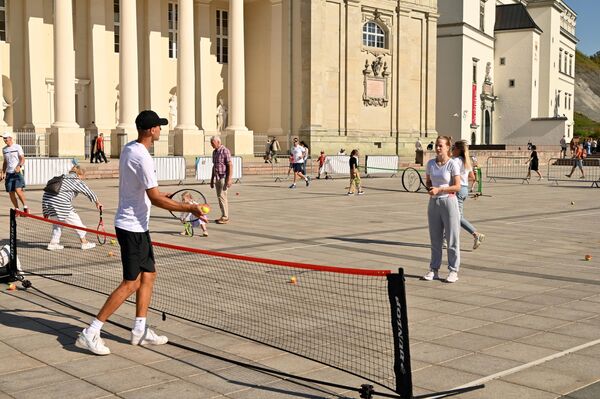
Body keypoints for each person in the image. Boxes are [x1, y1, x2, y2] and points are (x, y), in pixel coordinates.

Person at [75, 110, 204, 356]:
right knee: (131, 283)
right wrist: (190, 208)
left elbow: (146, 190)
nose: (161, 130)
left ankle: (140, 331)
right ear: (151, 130)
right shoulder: (142, 156)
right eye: (158, 126)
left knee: (149, 276)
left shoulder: (129, 149)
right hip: (130, 227)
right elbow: (154, 198)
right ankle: (90, 332)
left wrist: (159, 195)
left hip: (138, 226)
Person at [422, 136, 461, 283]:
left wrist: (440, 189)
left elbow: (457, 186)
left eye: (440, 146)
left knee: (452, 238)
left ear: (447, 147)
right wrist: (431, 188)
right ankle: (434, 269)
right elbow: (428, 181)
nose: (438, 148)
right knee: (435, 239)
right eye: (437, 145)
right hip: (433, 203)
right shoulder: (430, 163)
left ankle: (453, 270)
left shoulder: (452, 164)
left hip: (449, 202)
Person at [42, 165, 102, 251]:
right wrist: (97, 202)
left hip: (48, 202)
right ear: (80, 174)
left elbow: (47, 192)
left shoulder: (62, 178)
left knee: (58, 224)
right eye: (83, 176)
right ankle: (84, 242)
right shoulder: (75, 180)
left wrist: (45, 211)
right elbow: (88, 191)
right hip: (61, 203)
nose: (82, 179)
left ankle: (53, 243)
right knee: (77, 222)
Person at [452, 141, 485, 250]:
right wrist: (463, 177)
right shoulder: (466, 161)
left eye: (454, 148)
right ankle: (445, 239)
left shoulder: (456, 161)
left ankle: (476, 234)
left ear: (458, 149)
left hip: (458, 189)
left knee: (458, 216)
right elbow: (472, 177)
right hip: (464, 189)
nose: (452, 150)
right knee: (451, 215)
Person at [1, 132, 29, 214]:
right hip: (9, 174)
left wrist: (19, 166)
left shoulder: (17, 147)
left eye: (6, 138)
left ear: (10, 138)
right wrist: (3, 172)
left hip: (17, 173)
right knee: (11, 193)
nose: (4, 140)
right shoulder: (4, 149)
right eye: (4, 138)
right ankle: (17, 209)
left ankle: (25, 207)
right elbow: (5, 162)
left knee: (18, 190)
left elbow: (22, 158)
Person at [210, 136, 233, 224]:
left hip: (223, 177)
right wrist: (212, 180)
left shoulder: (225, 151)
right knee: (220, 198)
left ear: (218, 142)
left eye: (212, 143)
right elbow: (214, 166)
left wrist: (229, 179)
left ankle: (225, 217)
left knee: (222, 197)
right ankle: (223, 215)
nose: (211, 145)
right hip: (217, 178)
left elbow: (230, 165)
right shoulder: (214, 152)